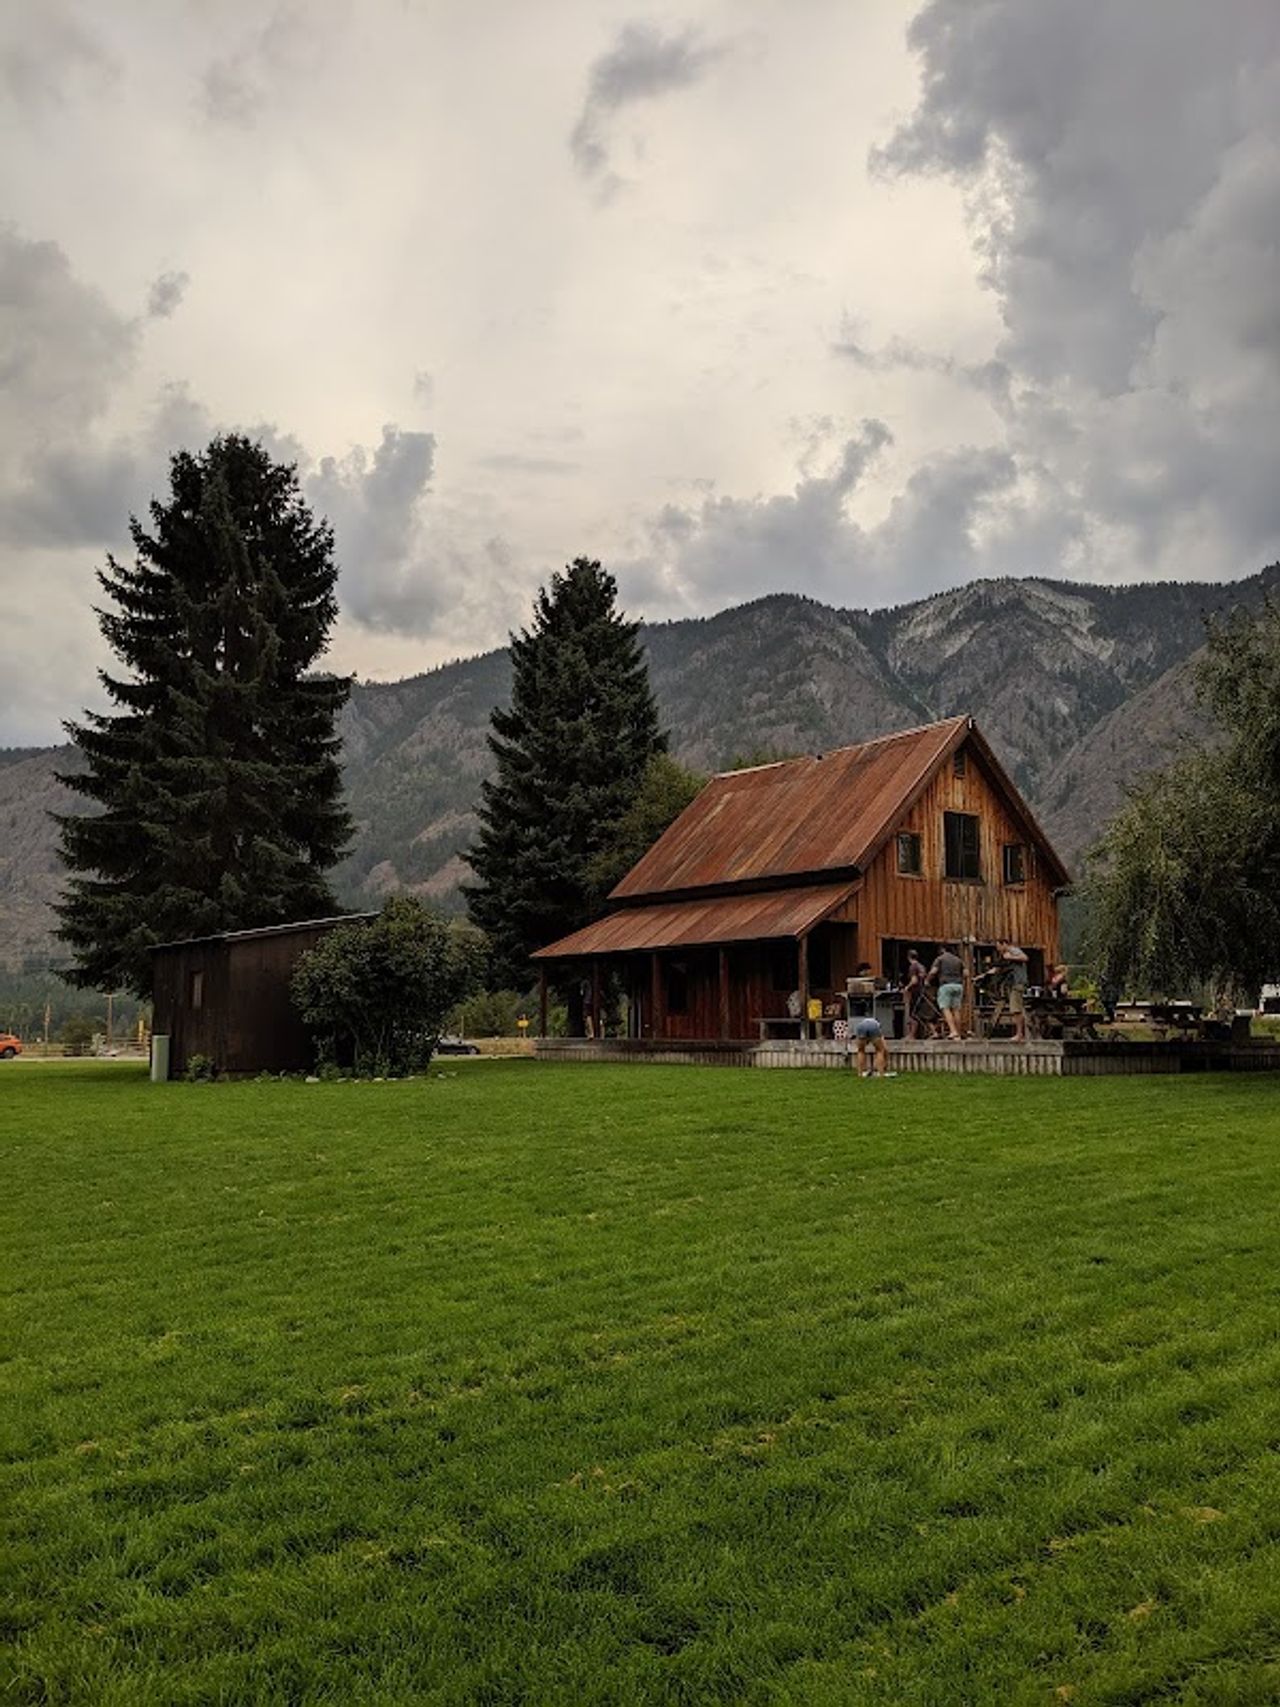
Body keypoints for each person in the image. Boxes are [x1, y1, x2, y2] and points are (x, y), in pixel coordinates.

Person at [928, 943, 966, 1040]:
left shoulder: (940, 959)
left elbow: (933, 971)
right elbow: (966, 973)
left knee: (946, 1008)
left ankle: (953, 1031)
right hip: (958, 985)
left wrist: (927, 980)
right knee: (956, 1009)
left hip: (946, 985)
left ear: (942, 949)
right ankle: (958, 1033)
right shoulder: (958, 960)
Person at [995, 939, 1030, 1041]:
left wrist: (1011, 957)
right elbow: (998, 969)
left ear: (1004, 944)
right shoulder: (1004, 956)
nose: (998, 949)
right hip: (1012, 984)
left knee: (1016, 1009)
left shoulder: (1013, 950)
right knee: (1015, 1009)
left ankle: (1019, 1034)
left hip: (1017, 983)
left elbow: (1025, 957)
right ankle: (1019, 1033)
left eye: (999, 946)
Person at [903, 946, 928, 1039]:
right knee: (919, 1013)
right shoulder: (921, 966)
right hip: (922, 991)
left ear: (908, 957)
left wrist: (907, 987)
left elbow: (914, 980)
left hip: (915, 992)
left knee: (912, 1014)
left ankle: (911, 1035)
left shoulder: (913, 967)